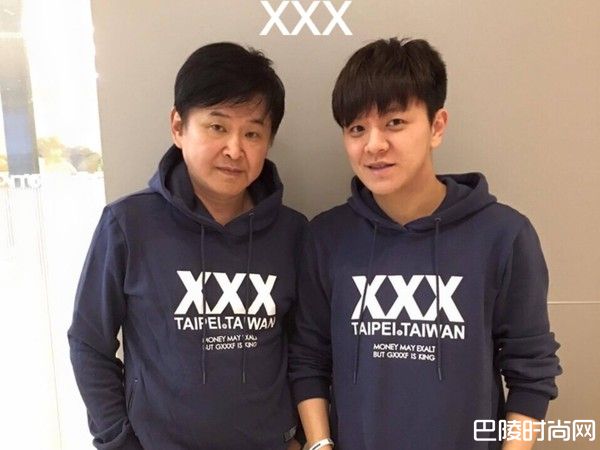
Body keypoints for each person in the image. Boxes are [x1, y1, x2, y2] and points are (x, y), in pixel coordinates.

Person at [289, 38, 561, 450]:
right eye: (357, 128)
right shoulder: (326, 237)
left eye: (394, 122)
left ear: (437, 126)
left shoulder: (503, 235)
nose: (373, 145)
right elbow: (309, 358)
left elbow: (532, 372)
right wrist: (319, 444)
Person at [68, 42, 305, 450]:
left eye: (252, 133)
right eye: (217, 127)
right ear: (178, 127)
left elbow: (307, 350)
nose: (235, 149)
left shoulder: (293, 233)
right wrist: (118, 441)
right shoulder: (128, 225)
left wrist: (301, 436)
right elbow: (89, 344)